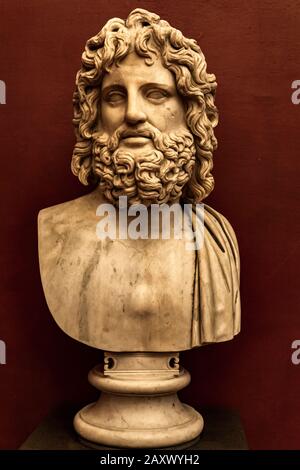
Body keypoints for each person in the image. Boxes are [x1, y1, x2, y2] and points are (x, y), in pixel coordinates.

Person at [38, 8, 240, 352]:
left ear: (192, 114)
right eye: (114, 96)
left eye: (155, 94)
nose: (132, 113)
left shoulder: (216, 243)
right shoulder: (55, 229)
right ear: (93, 117)